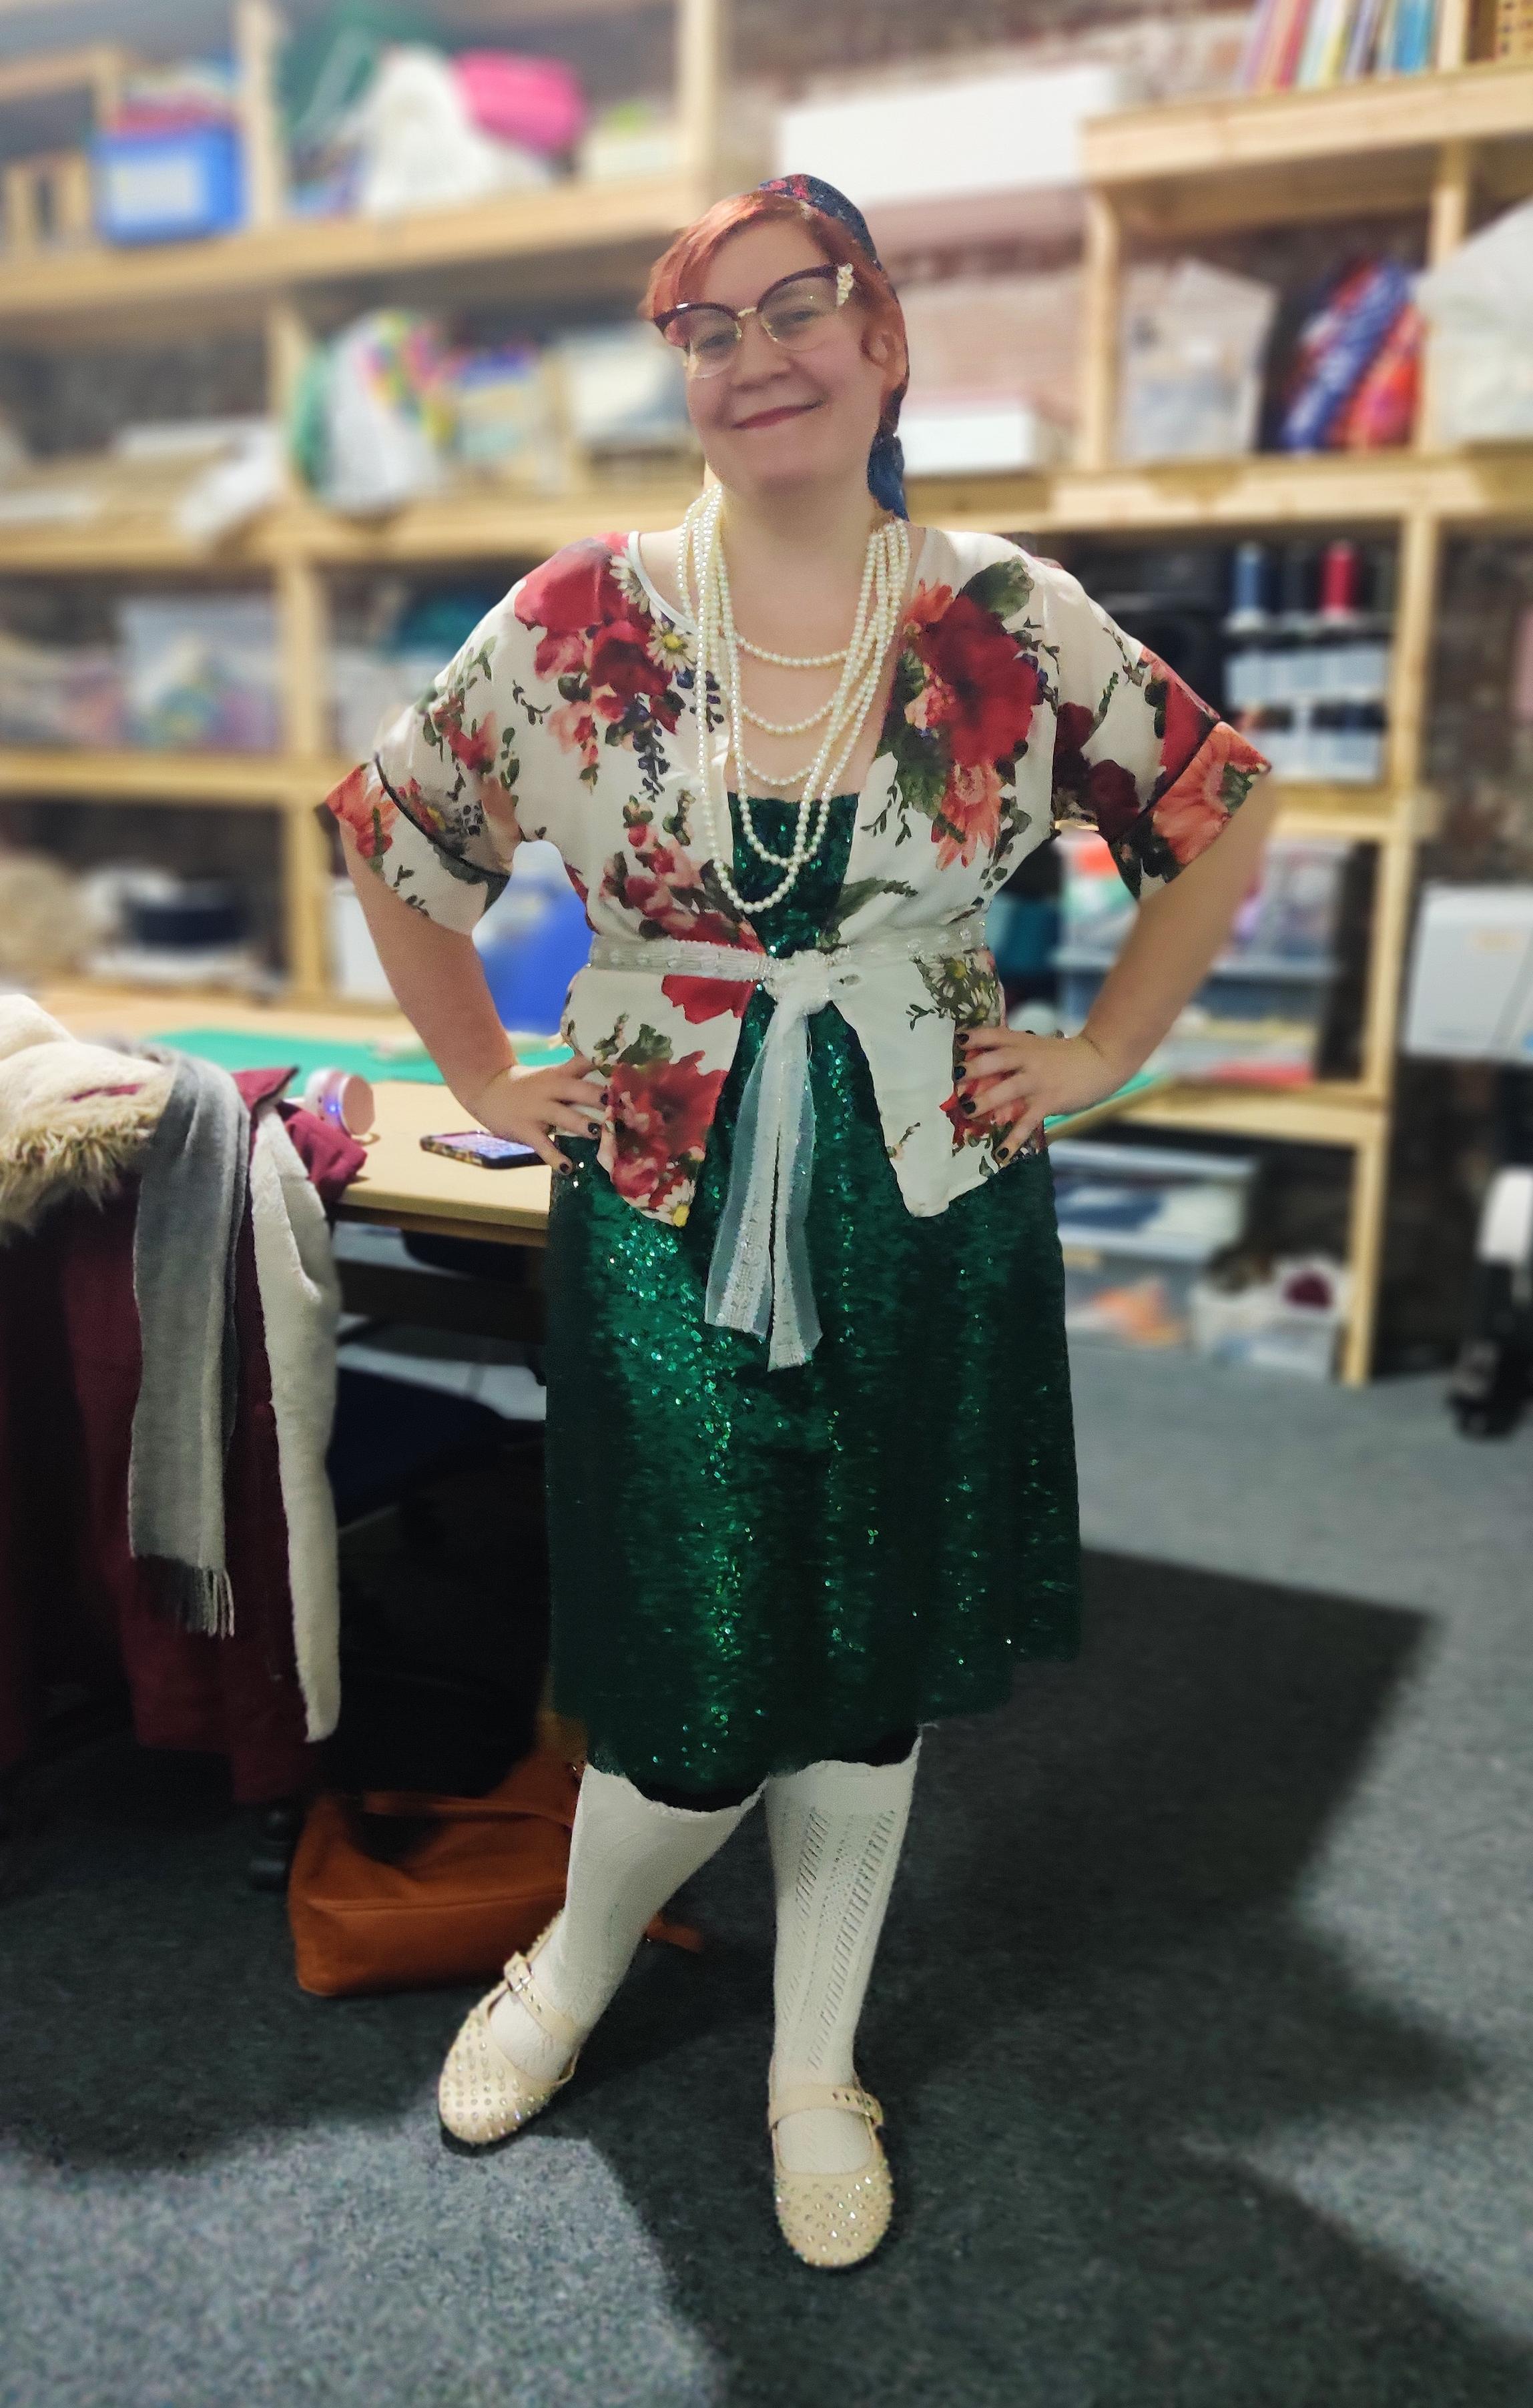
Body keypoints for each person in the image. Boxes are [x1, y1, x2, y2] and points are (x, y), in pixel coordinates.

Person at [325, 173, 1274, 2269]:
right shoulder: (579, 612)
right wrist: (484, 1075)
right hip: (664, 1178)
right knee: (686, 1633)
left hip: (929, 1173)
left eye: (798, 308)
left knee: (864, 1641)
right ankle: (576, 1960)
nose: (755, 357)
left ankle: (805, 2054)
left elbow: (1214, 808)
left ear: (886, 337)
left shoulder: (1004, 615)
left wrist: (1110, 1043)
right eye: (708, 327)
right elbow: (400, 834)